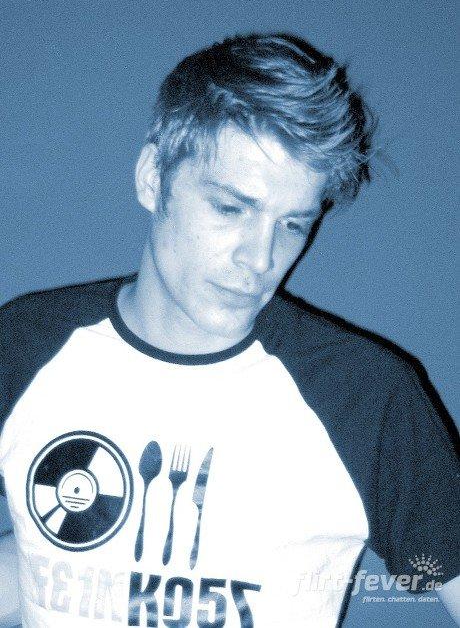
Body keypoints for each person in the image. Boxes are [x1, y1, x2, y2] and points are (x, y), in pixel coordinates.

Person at [0, 33, 458, 628]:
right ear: (153, 177)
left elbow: (438, 568)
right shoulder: (25, 345)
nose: (260, 259)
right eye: (230, 208)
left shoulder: (363, 396)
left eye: (292, 225)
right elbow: (46, 565)